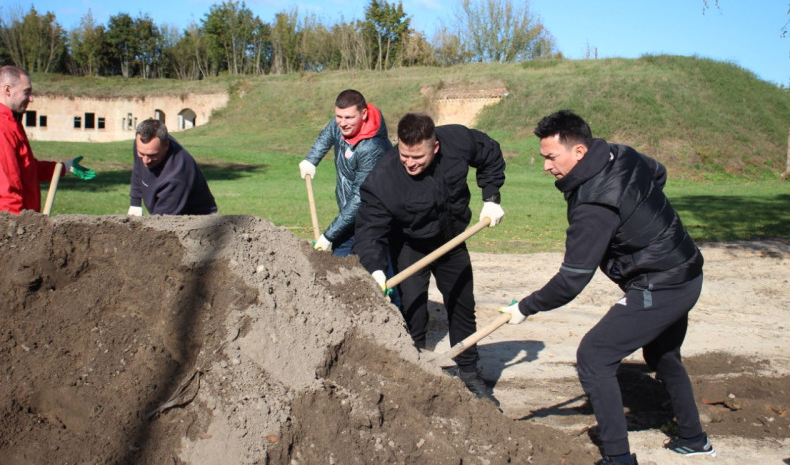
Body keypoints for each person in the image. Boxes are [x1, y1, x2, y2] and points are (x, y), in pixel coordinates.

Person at [499, 110, 714, 465]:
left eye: (551, 157)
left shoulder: (594, 205)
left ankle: (618, 458)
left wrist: (525, 307)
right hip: (687, 269)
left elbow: (571, 280)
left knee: (594, 357)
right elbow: (658, 173)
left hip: (661, 284)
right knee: (662, 354)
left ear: (579, 152)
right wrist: (640, 217)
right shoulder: (621, 153)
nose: (546, 167)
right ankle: (693, 438)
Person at [354, 113, 506, 404]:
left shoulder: (458, 141)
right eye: (404, 155)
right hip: (410, 245)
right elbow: (369, 229)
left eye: (418, 157)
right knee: (413, 309)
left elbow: (490, 153)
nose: (410, 163)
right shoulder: (385, 178)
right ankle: (415, 372)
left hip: (451, 240)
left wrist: (491, 197)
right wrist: (374, 268)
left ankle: (470, 373)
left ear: (435, 147)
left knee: (462, 305)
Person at [299, 89, 392, 256]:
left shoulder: (372, 147)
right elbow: (329, 133)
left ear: (363, 114)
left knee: (374, 269)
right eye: (338, 117)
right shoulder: (342, 124)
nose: (342, 123)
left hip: (373, 220)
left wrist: (328, 236)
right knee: (339, 267)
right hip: (349, 216)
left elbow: (359, 197)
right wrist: (311, 160)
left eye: (349, 117)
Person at [1, 65, 96, 214]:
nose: (31, 98)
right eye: (27, 92)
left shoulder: (12, 123)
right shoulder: (2, 128)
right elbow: (7, 190)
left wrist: (64, 167)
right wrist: (16, 229)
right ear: (8, 90)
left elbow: (27, 169)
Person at [128, 118, 217, 215]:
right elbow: (138, 170)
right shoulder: (143, 145)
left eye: (152, 155)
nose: (145, 160)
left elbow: (160, 223)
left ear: (166, 145)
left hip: (196, 221)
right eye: (141, 153)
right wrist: (135, 203)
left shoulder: (176, 176)